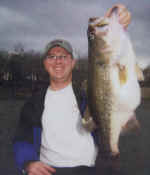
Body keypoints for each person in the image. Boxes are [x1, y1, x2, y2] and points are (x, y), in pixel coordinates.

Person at [13, 4, 131, 175]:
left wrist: (119, 28)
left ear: (73, 62)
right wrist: (28, 163)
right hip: (51, 170)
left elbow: (113, 62)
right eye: (52, 56)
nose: (58, 61)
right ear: (45, 64)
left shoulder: (89, 97)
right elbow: (21, 139)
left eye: (63, 56)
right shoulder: (33, 104)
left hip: (92, 169)